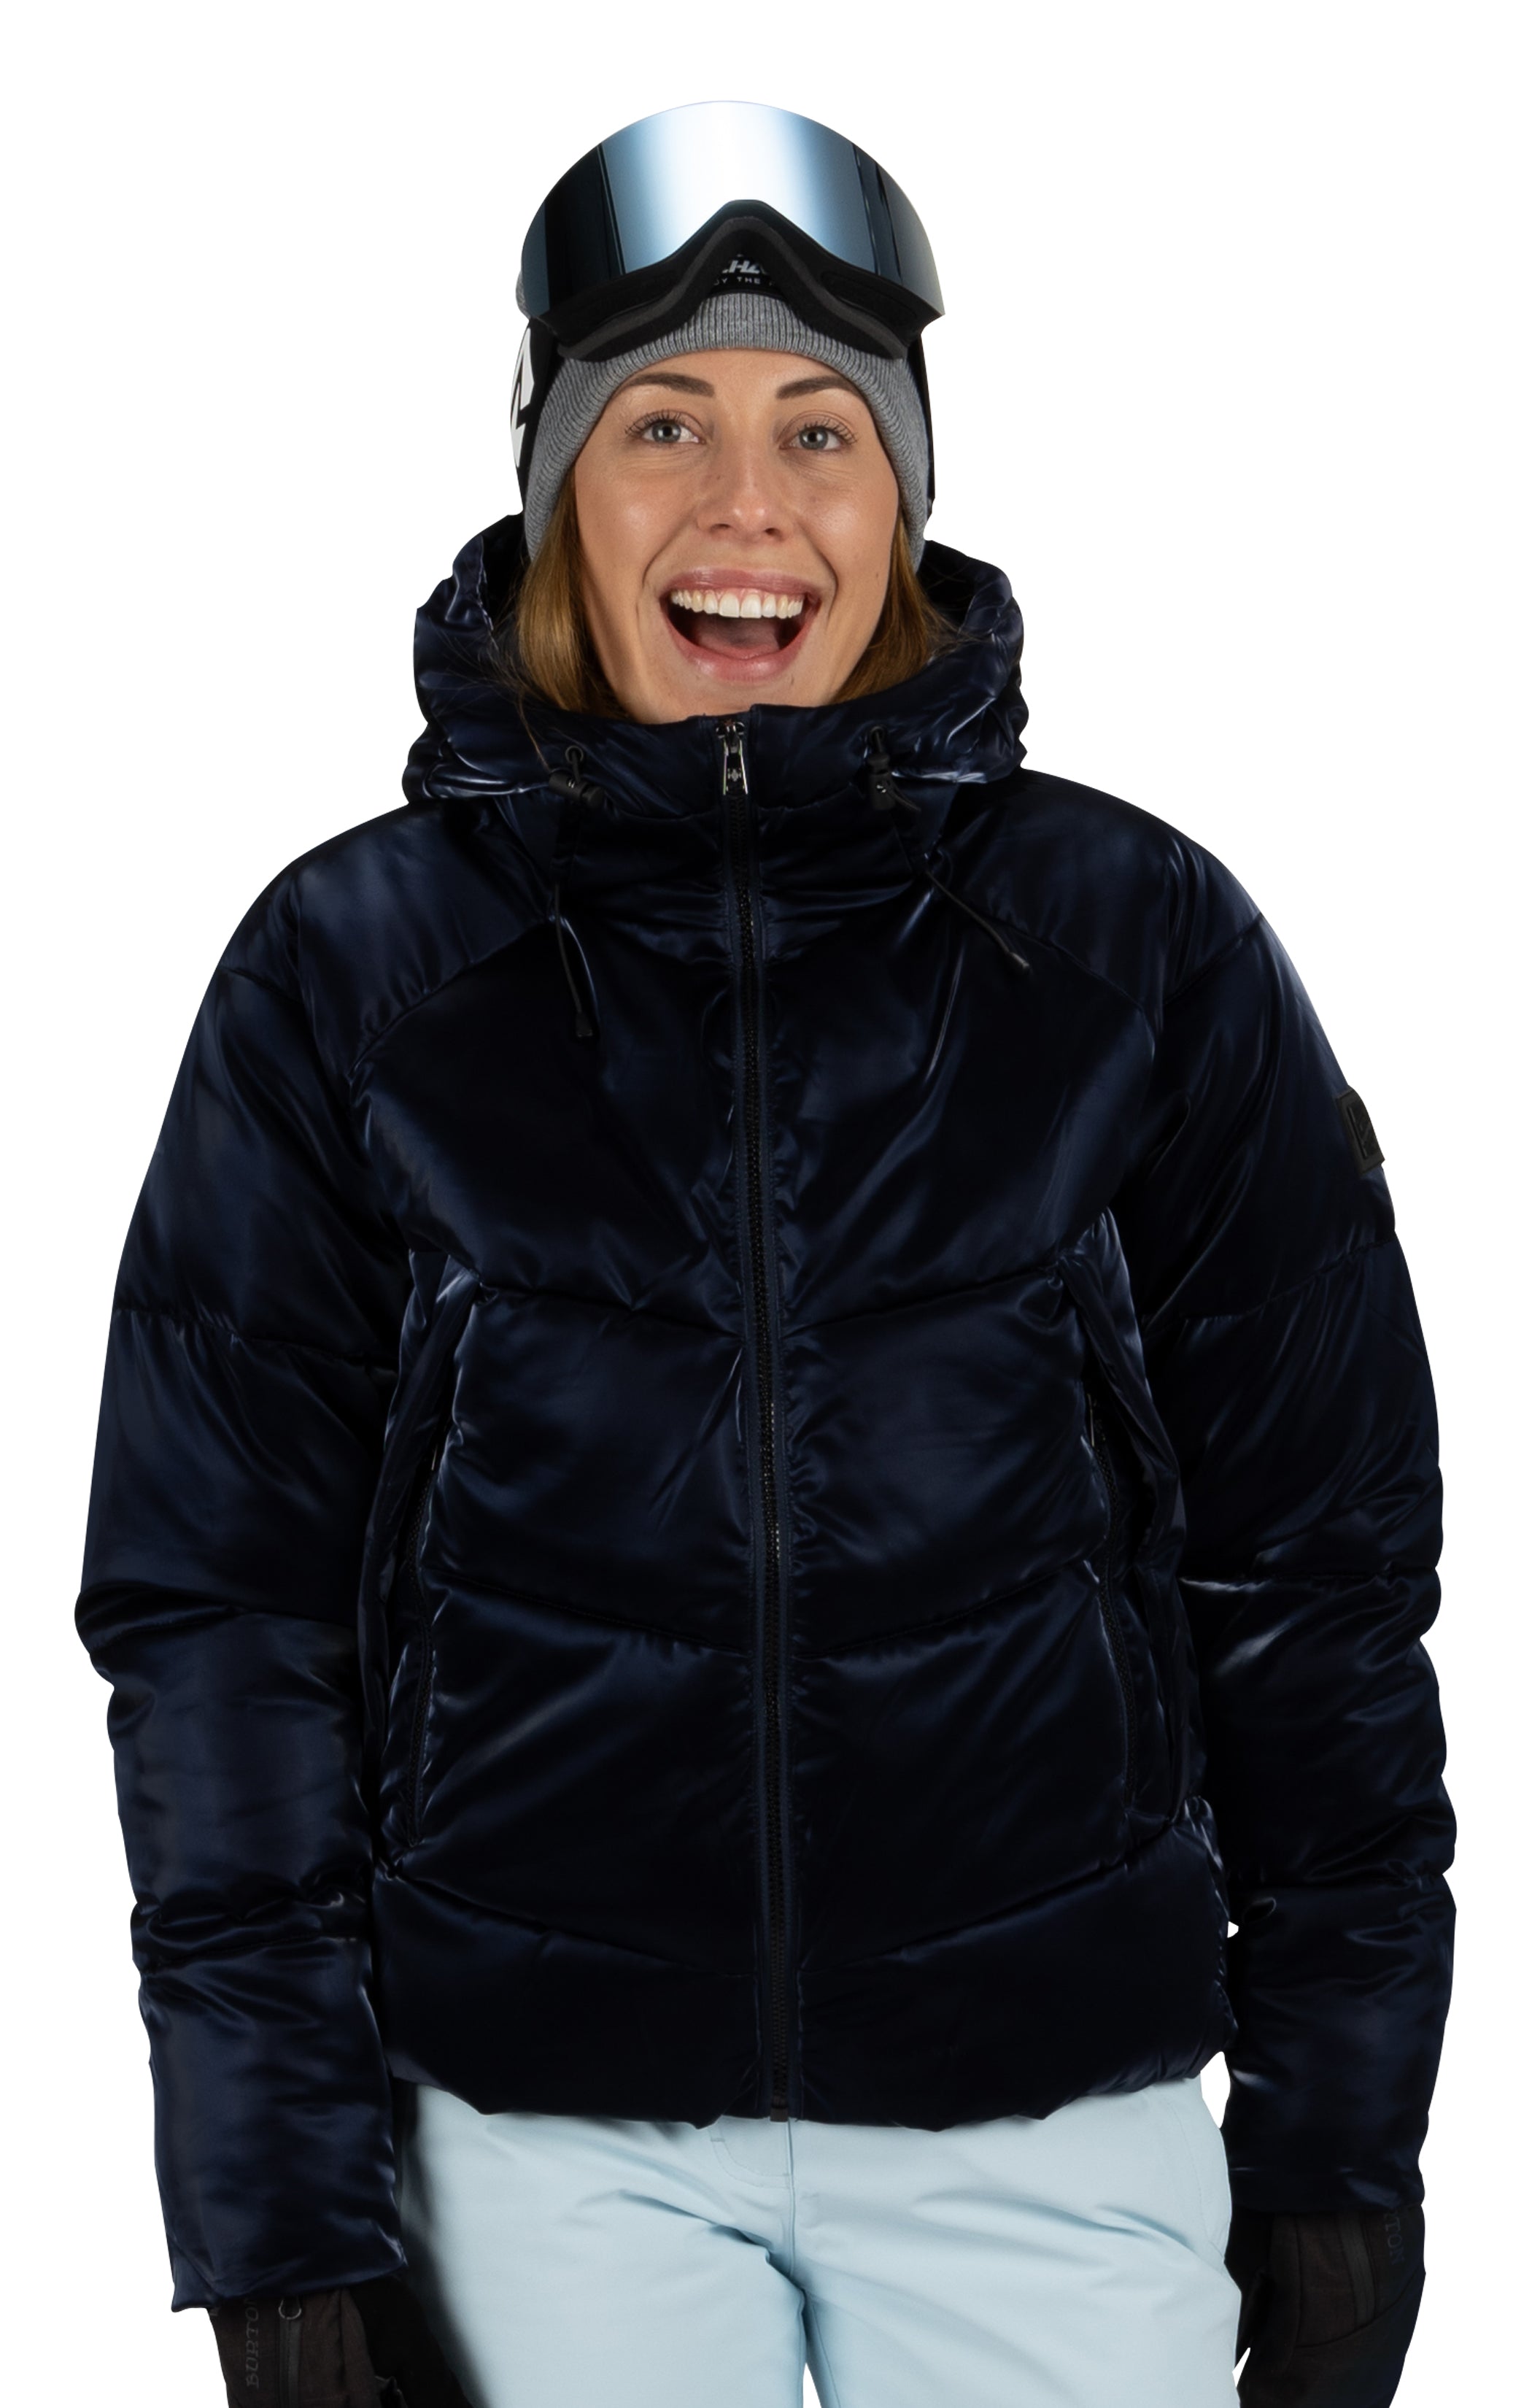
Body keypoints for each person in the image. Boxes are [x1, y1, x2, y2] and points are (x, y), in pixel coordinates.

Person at [77, 100, 1453, 2408]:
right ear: (556, 493)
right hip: (539, 2143)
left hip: (1048, 2118)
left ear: (900, 493)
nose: (746, 502)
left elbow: (1316, 1576)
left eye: (820, 427)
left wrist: (1338, 2131)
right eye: (660, 427)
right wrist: (281, 2207)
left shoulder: (1134, 945)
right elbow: (219, 1621)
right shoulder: (350, 972)